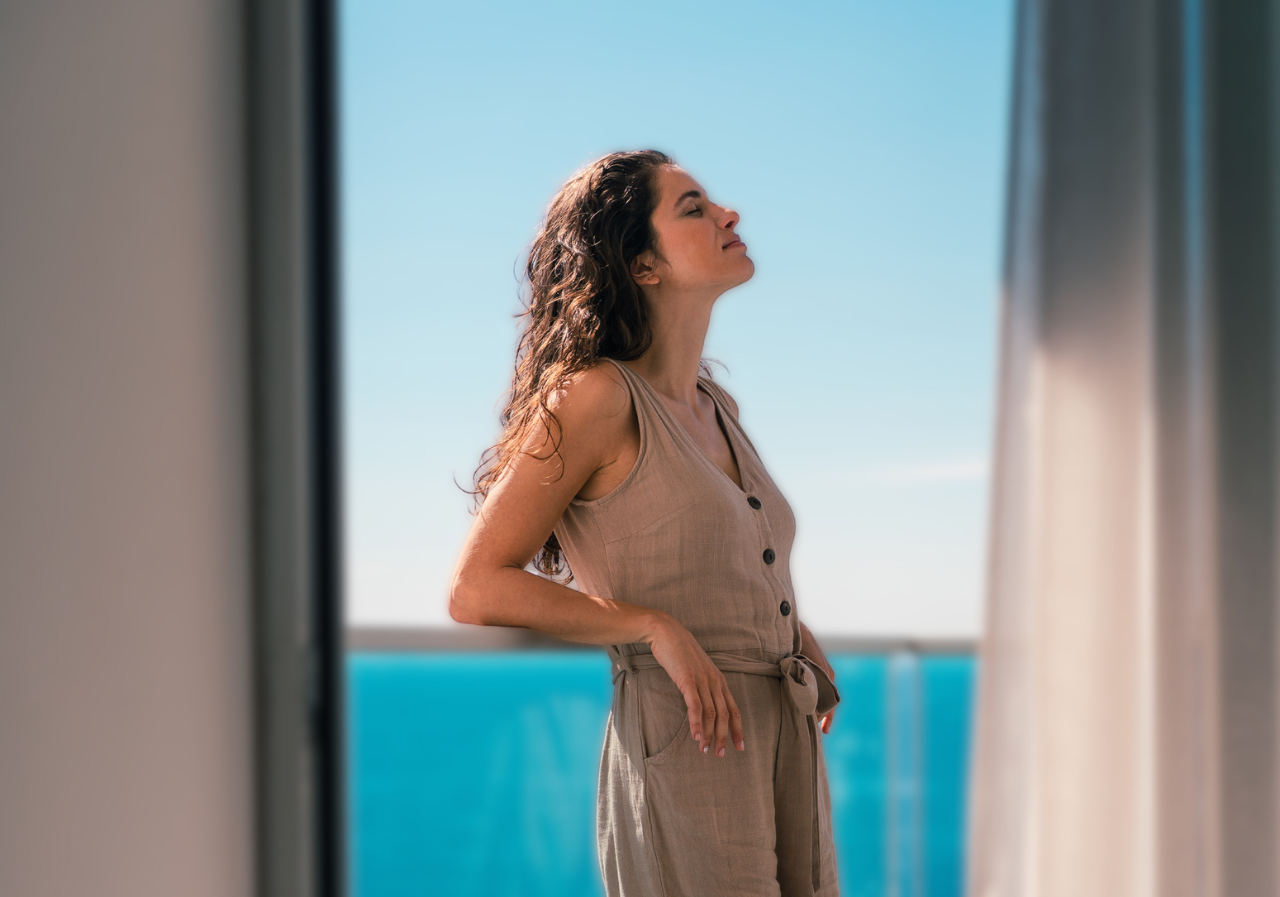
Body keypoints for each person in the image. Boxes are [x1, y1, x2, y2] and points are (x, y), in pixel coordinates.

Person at [450, 149, 841, 897]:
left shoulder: (714, 406)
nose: (729, 214)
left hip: (782, 729)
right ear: (644, 266)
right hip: (688, 736)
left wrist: (790, 635)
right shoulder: (595, 397)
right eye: (693, 208)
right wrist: (651, 626)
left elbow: (728, 558)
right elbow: (475, 587)